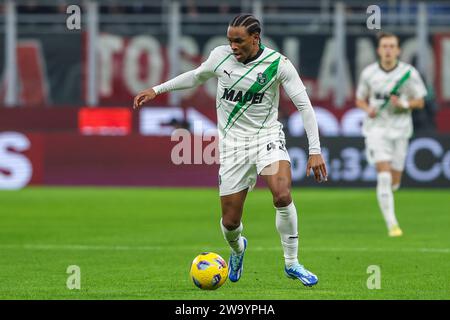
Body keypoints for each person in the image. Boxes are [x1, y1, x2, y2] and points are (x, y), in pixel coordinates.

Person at [133, 14, 327, 286]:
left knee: (282, 195)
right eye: (230, 40)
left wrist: (315, 150)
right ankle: (238, 250)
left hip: (266, 138)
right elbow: (196, 76)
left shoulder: (278, 64)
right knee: (230, 221)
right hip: (233, 146)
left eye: (239, 41)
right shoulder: (220, 57)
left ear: (255, 39)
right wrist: (157, 89)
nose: (233, 46)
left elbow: (304, 106)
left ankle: (292, 263)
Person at [356, 32, 427, 237]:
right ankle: (392, 225)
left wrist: (404, 104)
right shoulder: (369, 73)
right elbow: (360, 99)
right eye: (384, 46)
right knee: (384, 177)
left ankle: (390, 195)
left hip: (401, 130)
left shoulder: (409, 73)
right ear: (379, 50)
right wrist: (367, 109)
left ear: (398, 50)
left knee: (395, 181)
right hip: (376, 130)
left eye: (391, 46)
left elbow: (420, 100)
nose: (388, 50)